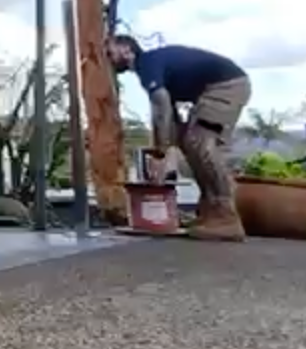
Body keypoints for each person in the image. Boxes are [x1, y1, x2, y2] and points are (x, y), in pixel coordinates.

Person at [105, 35, 251, 242]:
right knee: (190, 143)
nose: (108, 59)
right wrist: (166, 147)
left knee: (200, 142)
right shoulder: (153, 67)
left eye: (110, 52)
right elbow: (169, 113)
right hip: (218, 87)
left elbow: (161, 106)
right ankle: (210, 211)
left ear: (126, 50)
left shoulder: (147, 63)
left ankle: (225, 215)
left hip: (226, 86)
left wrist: (161, 150)